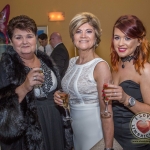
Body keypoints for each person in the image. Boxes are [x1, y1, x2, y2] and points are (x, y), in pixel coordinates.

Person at [0, 15, 64, 150]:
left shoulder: (48, 61)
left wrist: (59, 96)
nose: (25, 42)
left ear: (36, 38)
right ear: (11, 41)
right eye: (18, 37)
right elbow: (3, 107)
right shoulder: (6, 67)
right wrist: (24, 87)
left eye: (29, 36)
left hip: (53, 120)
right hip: (28, 131)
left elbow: (55, 89)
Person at [54, 12, 114, 150]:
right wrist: (59, 96)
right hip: (76, 131)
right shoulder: (71, 62)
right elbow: (72, 92)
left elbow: (107, 110)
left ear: (96, 36)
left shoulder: (101, 67)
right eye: (78, 31)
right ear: (72, 36)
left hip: (95, 131)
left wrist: (108, 147)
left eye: (89, 31)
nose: (83, 36)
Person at [103, 15, 150, 150]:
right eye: (117, 37)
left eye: (127, 38)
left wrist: (126, 99)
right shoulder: (116, 66)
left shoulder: (145, 69)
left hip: (136, 141)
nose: (121, 43)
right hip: (114, 137)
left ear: (139, 41)